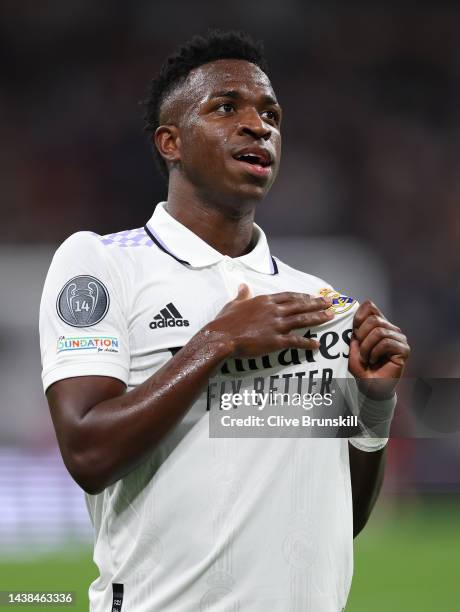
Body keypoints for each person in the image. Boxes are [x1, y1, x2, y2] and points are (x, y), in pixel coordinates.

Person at [39, 30, 410, 612]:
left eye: (271, 114)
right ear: (171, 142)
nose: (258, 125)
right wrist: (216, 342)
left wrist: (373, 404)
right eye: (225, 107)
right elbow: (88, 451)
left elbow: (345, 516)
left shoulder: (317, 301)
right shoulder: (103, 263)